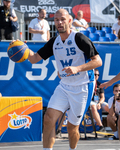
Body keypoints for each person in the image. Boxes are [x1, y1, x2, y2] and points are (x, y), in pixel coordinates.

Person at [16, 8, 102, 150]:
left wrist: (77, 68)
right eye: (56, 19)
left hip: (83, 86)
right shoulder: (54, 42)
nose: (59, 22)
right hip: (64, 86)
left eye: (62, 19)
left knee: (71, 127)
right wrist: (22, 47)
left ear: (69, 20)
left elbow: (98, 61)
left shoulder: (79, 38)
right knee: (49, 118)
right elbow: (34, 58)